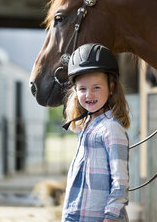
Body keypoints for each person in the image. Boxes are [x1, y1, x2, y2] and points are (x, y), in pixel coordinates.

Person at [61, 43, 130, 222]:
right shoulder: (87, 126)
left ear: (111, 87)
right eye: (83, 89)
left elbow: (120, 180)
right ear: (75, 91)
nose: (89, 95)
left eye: (96, 87)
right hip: (76, 215)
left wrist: (112, 216)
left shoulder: (111, 128)